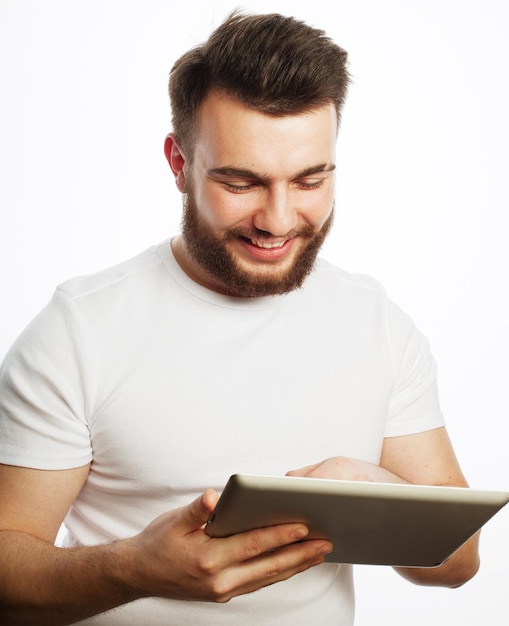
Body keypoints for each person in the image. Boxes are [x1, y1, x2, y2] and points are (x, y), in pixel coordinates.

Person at [0, 11, 480, 626]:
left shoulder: (377, 323)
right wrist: (131, 568)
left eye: (310, 179)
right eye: (240, 182)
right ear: (179, 164)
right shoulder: (79, 331)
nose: (278, 221)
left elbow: (459, 562)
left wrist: (372, 485)